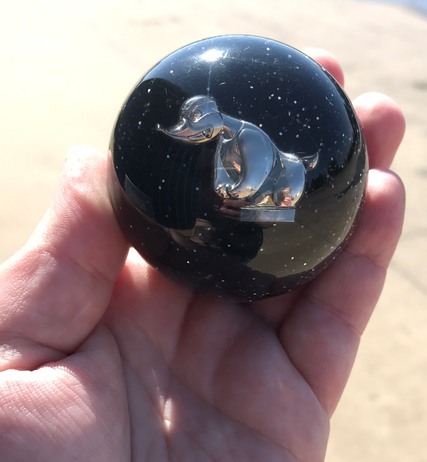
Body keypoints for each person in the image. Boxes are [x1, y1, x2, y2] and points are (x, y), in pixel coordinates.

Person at [0, 49, 405, 462]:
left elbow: (250, 177)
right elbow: (228, 176)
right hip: (222, 267)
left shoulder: (248, 137)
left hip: (281, 186)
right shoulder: (227, 140)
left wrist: (237, 194)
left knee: (276, 189)